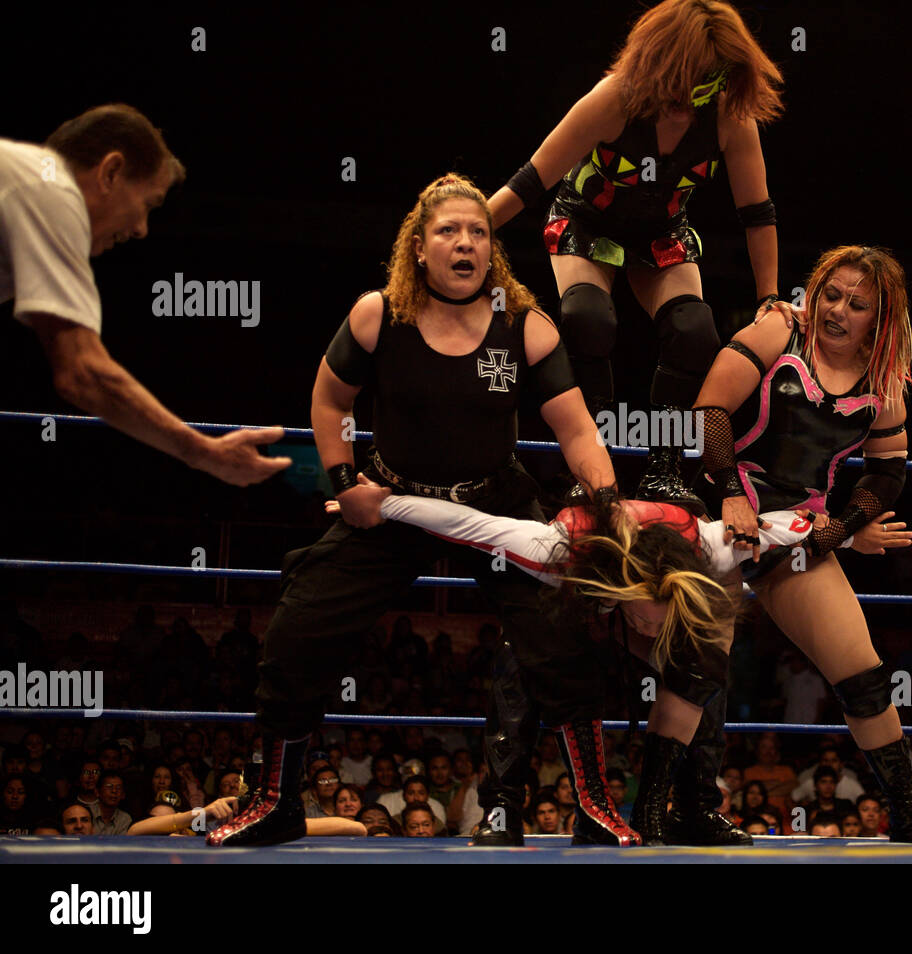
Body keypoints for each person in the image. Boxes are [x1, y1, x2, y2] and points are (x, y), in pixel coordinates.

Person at [206, 174, 618, 848]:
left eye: (478, 231)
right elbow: (329, 402)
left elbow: (577, 433)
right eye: (448, 232)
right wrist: (345, 481)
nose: (465, 243)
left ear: (493, 248)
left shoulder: (524, 324)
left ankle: (595, 806)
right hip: (397, 501)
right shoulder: (379, 315)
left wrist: (605, 505)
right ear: (419, 248)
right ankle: (277, 800)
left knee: (565, 635)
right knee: (298, 628)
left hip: (495, 501)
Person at [367, 481, 827, 843]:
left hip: (650, 546)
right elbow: (469, 525)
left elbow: (793, 523)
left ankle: (673, 807)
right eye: (649, 619)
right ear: (627, 596)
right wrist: (385, 504)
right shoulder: (555, 549)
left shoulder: (709, 546)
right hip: (577, 589)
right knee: (533, 649)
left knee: (703, 659)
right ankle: (511, 807)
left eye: (659, 621)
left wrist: (850, 529)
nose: (651, 631)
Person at [691, 245, 912, 842]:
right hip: (722, 504)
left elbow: (887, 472)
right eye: (830, 294)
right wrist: (732, 494)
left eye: (856, 304)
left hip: (801, 528)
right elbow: (710, 411)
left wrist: (840, 529)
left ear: (879, 317)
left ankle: (908, 813)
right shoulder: (780, 329)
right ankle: (686, 805)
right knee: (701, 661)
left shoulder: (884, 381)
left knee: (861, 672)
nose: (836, 310)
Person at [488, 0, 789, 508]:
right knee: (588, 319)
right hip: (587, 221)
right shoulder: (614, 99)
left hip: (660, 231)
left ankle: (664, 469)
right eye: (697, 76)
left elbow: (757, 212)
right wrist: (466, 229)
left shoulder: (729, 118)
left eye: (714, 78)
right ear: (667, 63)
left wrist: (770, 297)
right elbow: (531, 180)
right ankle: (582, 469)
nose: (702, 91)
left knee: (696, 331)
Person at [1, 104, 289, 485]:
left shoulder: (22, 185)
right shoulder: (51, 189)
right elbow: (83, 372)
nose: (141, 230)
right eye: (148, 204)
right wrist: (204, 452)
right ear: (111, 172)